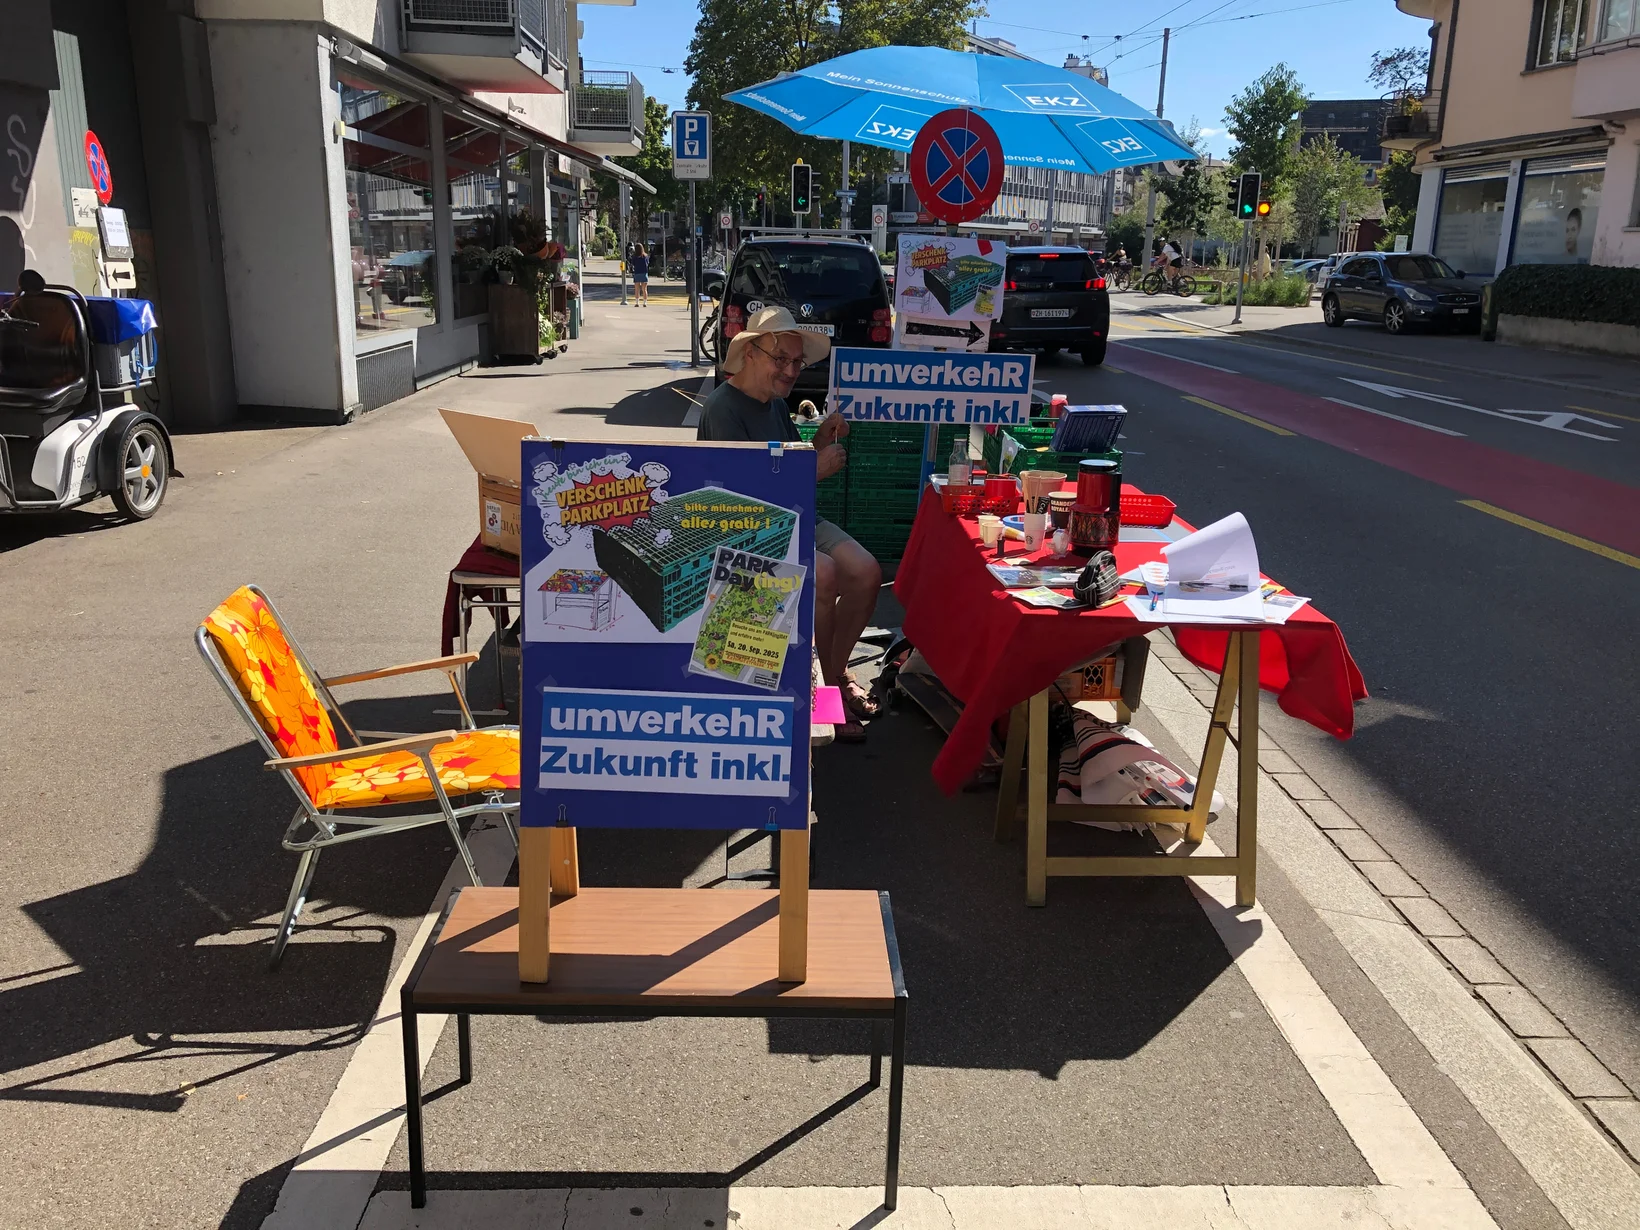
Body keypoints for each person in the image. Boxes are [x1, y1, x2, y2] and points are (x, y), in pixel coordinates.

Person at [697, 305, 883, 741]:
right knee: (827, 575)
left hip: (791, 514)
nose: (791, 370)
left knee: (867, 572)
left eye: (797, 361)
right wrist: (813, 469)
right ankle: (814, 691)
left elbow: (789, 460)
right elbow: (736, 502)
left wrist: (817, 442)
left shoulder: (774, 403)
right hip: (747, 532)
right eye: (781, 358)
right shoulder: (724, 410)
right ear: (749, 354)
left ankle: (833, 677)